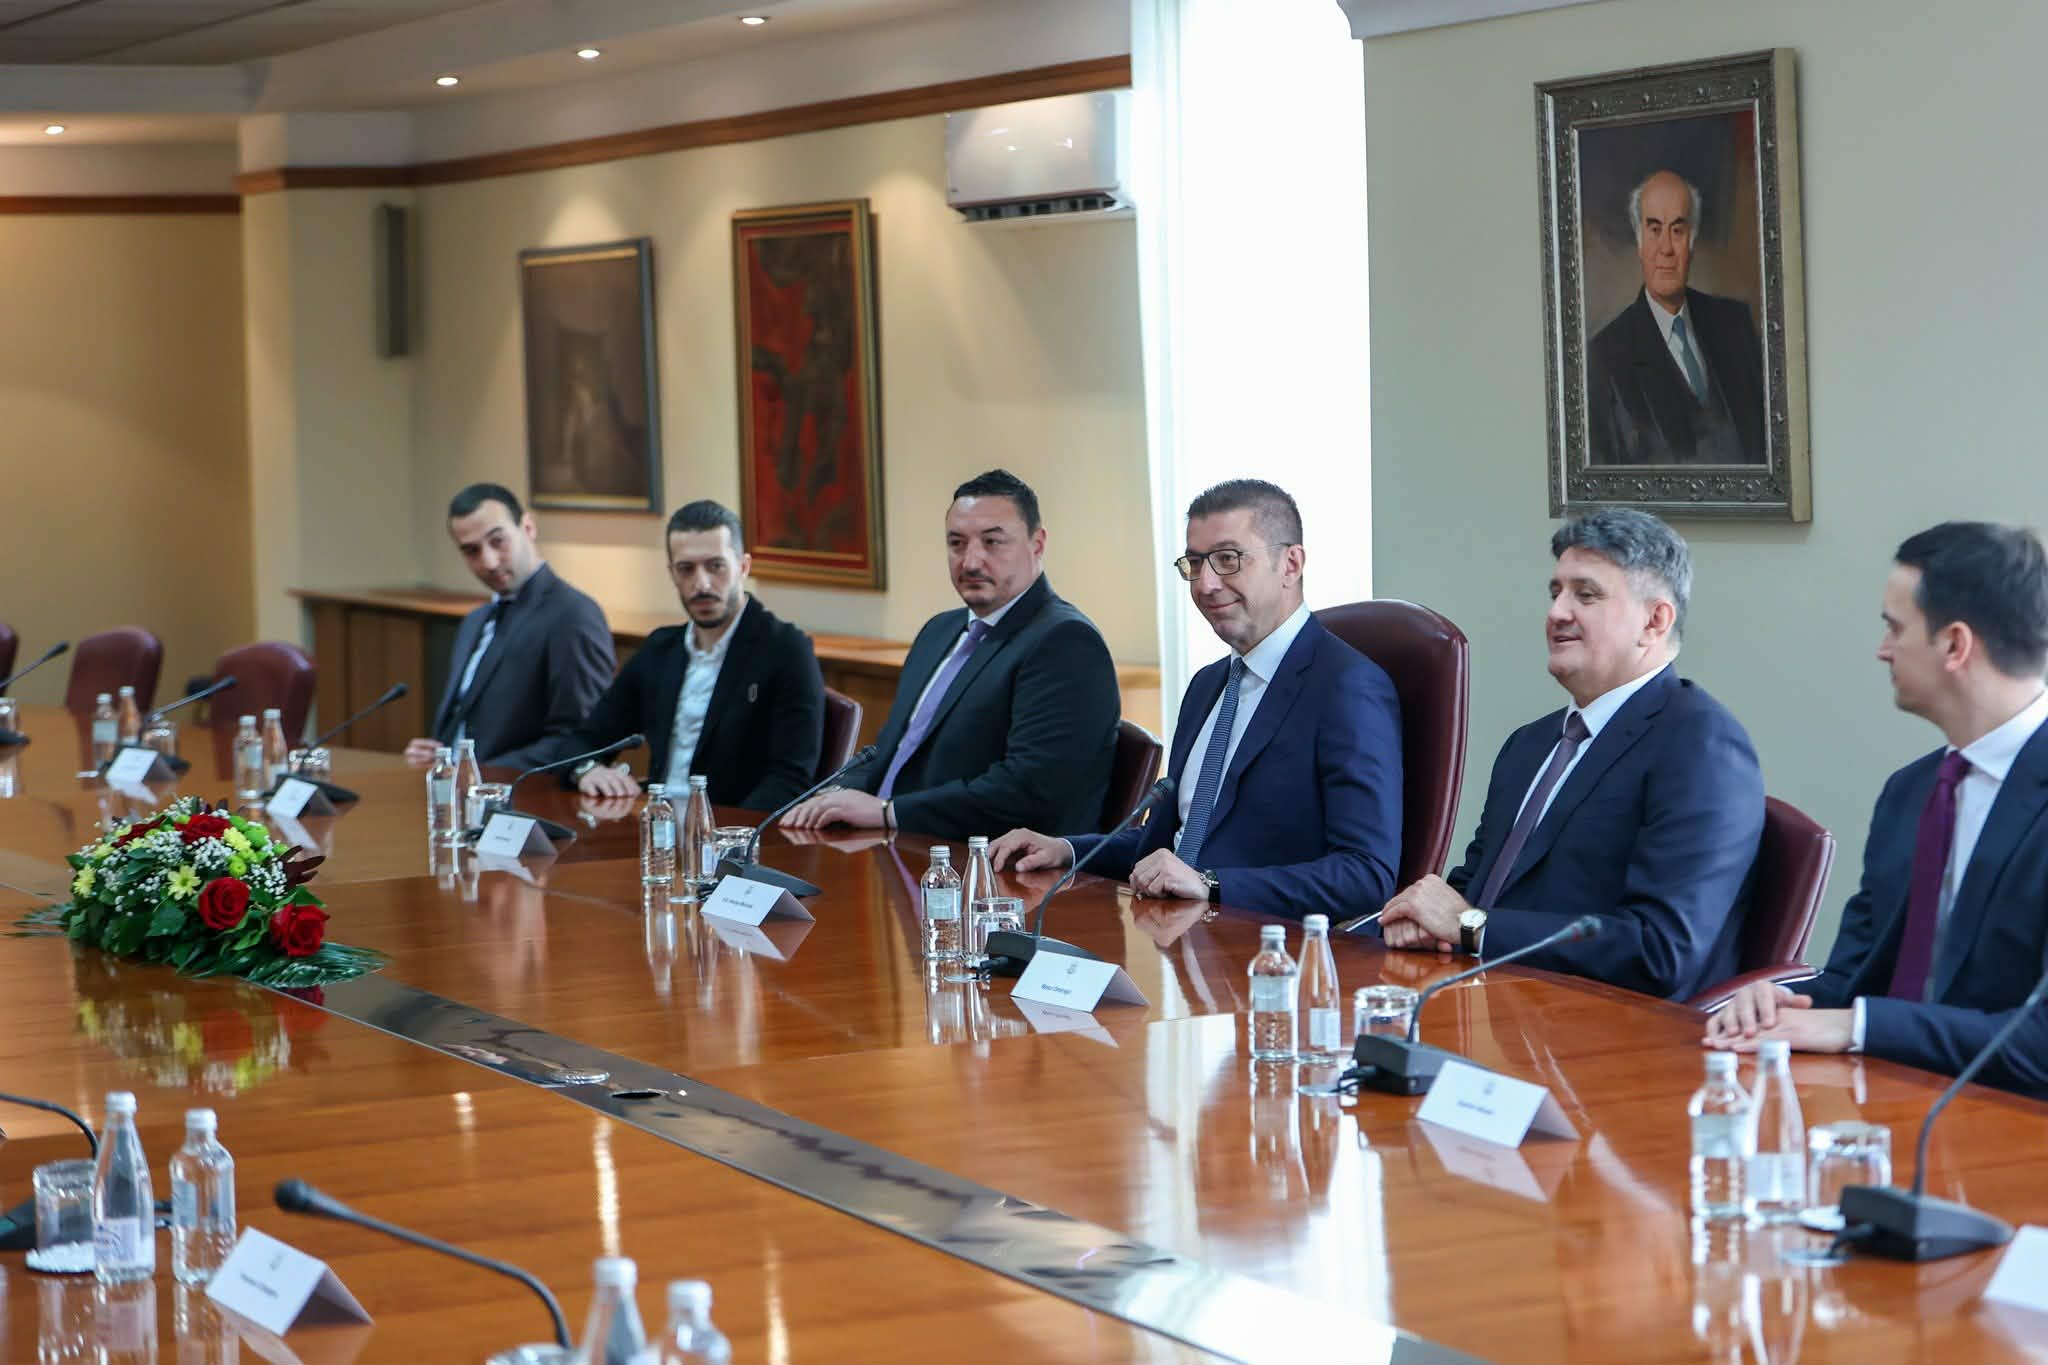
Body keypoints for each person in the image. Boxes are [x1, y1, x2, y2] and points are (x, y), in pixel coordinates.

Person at [1707, 522, 2048, 1099]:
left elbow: (2040, 1044)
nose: (1881, 649)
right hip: (1885, 1106)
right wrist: (1783, 1003)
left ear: (1954, 645)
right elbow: (1853, 980)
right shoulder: (1909, 793)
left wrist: (1855, 1027)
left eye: (1895, 628)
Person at [1379, 508, 1763, 1000]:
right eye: (1556, 592)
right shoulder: (1529, 744)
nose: (1557, 613)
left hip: (1603, 1027)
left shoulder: (1700, 744)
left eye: (1586, 595)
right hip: (1478, 1006)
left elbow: (1661, 950)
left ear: (1655, 621)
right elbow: (1473, 893)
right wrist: (1422, 918)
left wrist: (1470, 927)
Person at [989, 479, 1402, 920]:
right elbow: (1176, 844)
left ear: (1290, 564)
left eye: (1227, 560)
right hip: (1173, 933)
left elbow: (1365, 874)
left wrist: (1211, 884)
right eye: (1195, 563)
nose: (1205, 584)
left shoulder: (1347, 687)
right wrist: (1066, 849)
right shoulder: (1208, 684)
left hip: (1271, 948)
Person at [784, 469, 1118, 840]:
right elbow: (891, 753)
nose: (971, 561)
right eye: (957, 543)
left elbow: (1029, 790)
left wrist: (889, 813)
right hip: (889, 843)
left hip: (988, 862)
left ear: (1037, 544)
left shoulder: (1065, 642)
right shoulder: (938, 632)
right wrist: (833, 797)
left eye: (992, 542)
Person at [564, 500, 824, 810]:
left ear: (743, 567)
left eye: (716, 566)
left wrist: (723, 834)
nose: (701, 584)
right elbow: (583, 741)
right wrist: (586, 770)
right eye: (686, 569)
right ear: (672, 574)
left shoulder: (785, 650)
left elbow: (790, 780)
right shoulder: (660, 650)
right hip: (655, 824)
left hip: (735, 831)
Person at [402, 483, 614, 770]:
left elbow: (579, 740)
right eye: (471, 551)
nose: (489, 562)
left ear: (528, 528)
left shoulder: (572, 615)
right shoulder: (474, 621)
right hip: (457, 787)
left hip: (519, 791)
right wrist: (437, 756)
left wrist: (479, 775)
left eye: (497, 541)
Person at [1586, 169, 1767, 466]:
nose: (1666, 248)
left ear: (1691, 242)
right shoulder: (1606, 357)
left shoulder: (1735, 325)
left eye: (1678, 231)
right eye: (1655, 229)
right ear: (1640, 242)